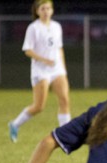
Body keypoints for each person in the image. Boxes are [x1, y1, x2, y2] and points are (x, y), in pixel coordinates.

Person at [8, 0, 71, 143]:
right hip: (41, 71)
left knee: (65, 100)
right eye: (43, 9)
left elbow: (59, 48)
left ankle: (66, 136)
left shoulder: (56, 26)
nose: (46, 11)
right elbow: (27, 50)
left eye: (48, 8)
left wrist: (63, 68)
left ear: (52, 10)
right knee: (39, 106)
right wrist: (44, 60)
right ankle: (15, 124)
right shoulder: (33, 28)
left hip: (57, 69)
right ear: (37, 11)